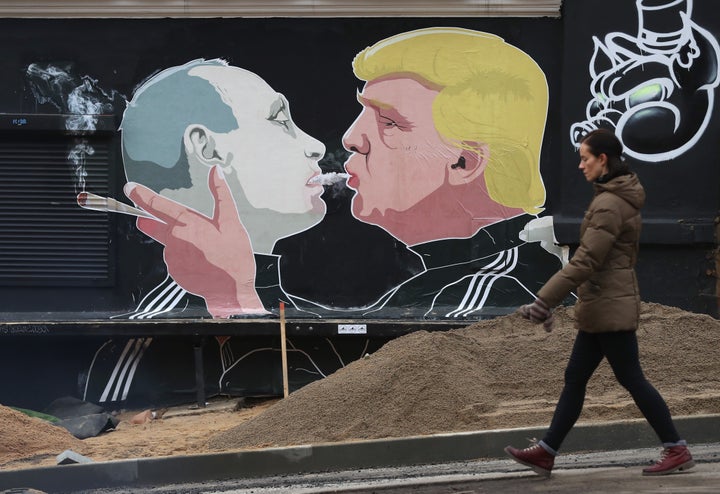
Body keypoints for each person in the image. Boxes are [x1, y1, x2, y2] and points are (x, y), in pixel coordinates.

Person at [330, 27, 564, 318]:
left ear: (465, 162)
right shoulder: (439, 280)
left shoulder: (482, 298)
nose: (351, 138)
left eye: (389, 121)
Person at [505, 129, 694, 477]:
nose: (581, 165)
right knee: (576, 376)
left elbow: (587, 260)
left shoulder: (609, 203)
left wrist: (544, 300)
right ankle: (546, 452)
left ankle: (676, 447)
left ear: (602, 160)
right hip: (601, 303)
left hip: (610, 304)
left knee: (631, 378)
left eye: (585, 158)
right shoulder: (614, 196)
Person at [121, 58, 327, 317]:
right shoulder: (151, 337)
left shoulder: (294, 315)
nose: (317, 146)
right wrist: (235, 295)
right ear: (208, 148)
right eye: (280, 120)